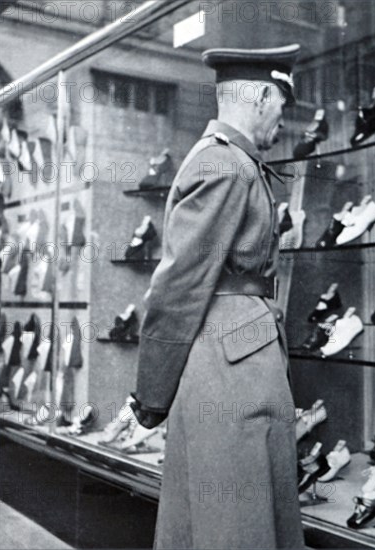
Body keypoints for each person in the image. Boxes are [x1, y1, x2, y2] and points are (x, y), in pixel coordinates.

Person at [130, 44, 305, 550]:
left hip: (237, 366)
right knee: (233, 527)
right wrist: (151, 395)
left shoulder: (237, 163)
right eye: (281, 103)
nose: (281, 117)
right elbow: (180, 282)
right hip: (230, 377)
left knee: (240, 522)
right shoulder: (224, 166)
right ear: (261, 96)